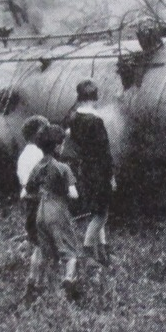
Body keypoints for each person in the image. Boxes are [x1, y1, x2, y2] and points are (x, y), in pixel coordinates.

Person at [25, 123, 82, 302]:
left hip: (40, 210)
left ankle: (34, 284)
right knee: (70, 252)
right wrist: (66, 193)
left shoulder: (36, 167)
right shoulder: (63, 168)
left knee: (42, 250)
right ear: (58, 146)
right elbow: (73, 194)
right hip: (57, 210)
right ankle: (68, 282)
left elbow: (28, 191)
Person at [65, 79, 115, 264]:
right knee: (102, 214)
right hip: (98, 170)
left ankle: (102, 250)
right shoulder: (96, 120)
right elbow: (105, 151)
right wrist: (111, 175)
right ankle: (87, 251)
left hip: (84, 168)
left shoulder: (74, 117)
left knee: (96, 210)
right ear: (95, 97)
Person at [16, 115, 51, 243]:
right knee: (42, 236)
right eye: (44, 132)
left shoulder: (26, 153)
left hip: (31, 198)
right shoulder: (37, 154)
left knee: (36, 236)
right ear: (36, 135)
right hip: (38, 199)